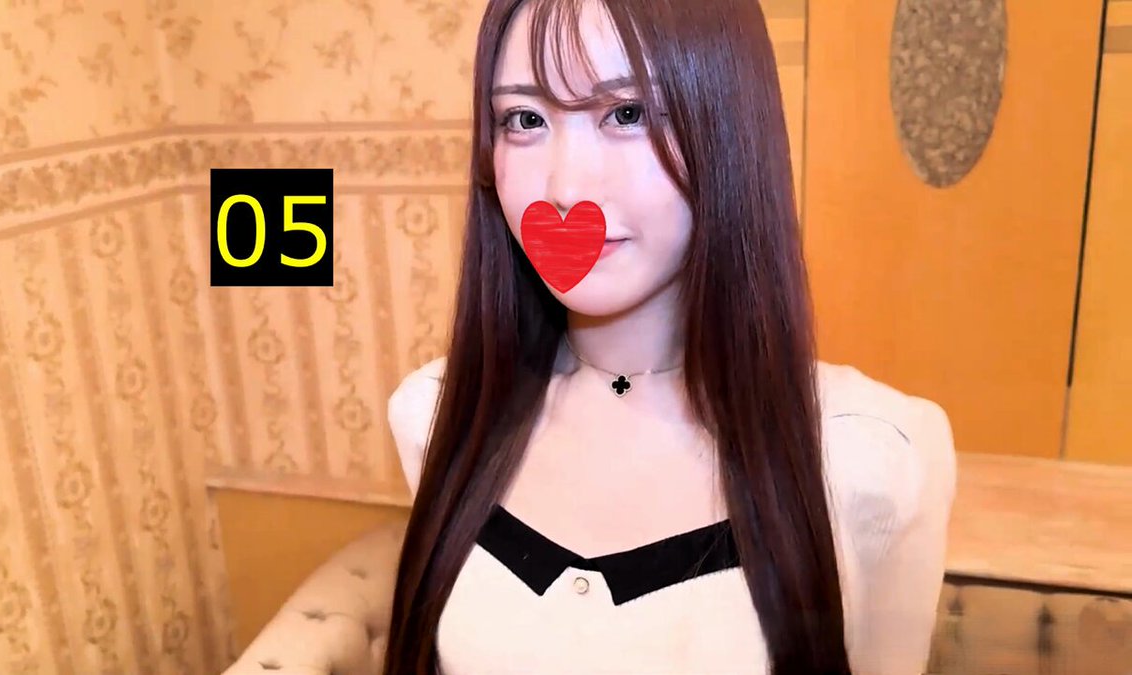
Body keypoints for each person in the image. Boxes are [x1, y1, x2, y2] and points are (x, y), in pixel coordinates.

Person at [381, 0, 957, 673]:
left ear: (728, 124)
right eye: (525, 119)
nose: (565, 186)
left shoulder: (877, 454)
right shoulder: (435, 413)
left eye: (627, 113)